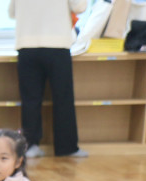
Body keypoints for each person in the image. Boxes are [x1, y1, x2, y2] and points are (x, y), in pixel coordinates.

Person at [10, 0, 89, 158]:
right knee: (63, 98)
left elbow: (12, 13)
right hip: (57, 45)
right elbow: (80, 7)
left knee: (30, 99)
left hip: (27, 45)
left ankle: (30, 146)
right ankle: (67, 147)